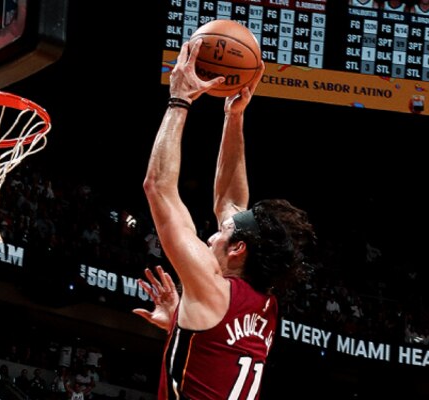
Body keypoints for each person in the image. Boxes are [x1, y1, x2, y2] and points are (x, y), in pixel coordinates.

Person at [134, 39, 318, 399]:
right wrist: (234, 116)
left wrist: (180, 99)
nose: (210, 238)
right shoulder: (265, 305)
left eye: (221, 233)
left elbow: (157, 188)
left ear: (238, 250)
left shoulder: (213, 290)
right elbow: (232, 201)